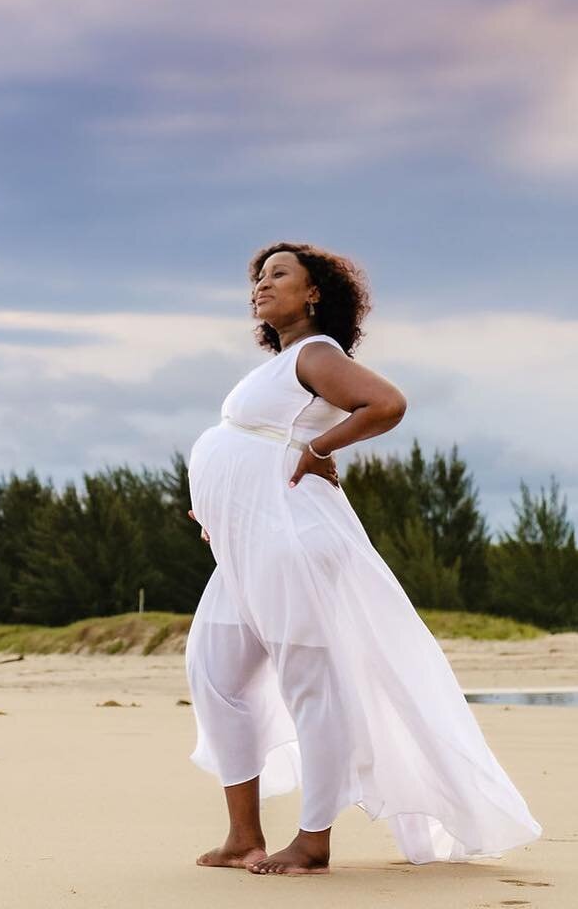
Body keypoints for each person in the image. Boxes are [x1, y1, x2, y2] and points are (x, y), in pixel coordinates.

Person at [184, 242, 540, 875]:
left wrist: (322, 448)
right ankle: (243, 837)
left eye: (278, 275)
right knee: (214, 673)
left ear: (314, 292)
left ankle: (313, 840)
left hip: (292, 540)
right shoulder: (281, 365)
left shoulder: (318, 354)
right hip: (250, 542)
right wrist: (219, 503)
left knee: (309, 685)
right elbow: (252, 449)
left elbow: (387, 404)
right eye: (258, 278)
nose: (261, 287)